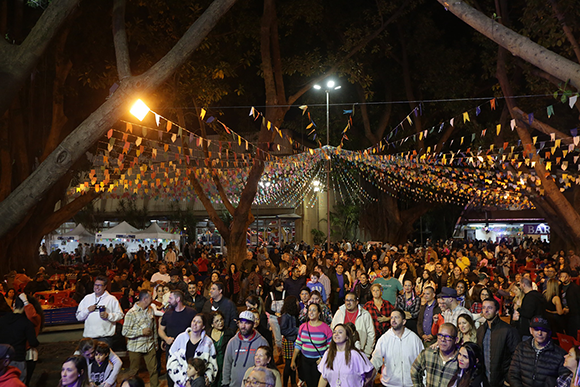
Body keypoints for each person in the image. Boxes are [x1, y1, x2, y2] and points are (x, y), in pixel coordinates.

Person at [509, 315, 568, 387]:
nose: (539, 333)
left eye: (543, 330)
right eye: (536, 329)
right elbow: (513, 374)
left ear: (549, 333)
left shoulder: (560, 354)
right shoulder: (521, 348)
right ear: (531, 331)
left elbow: (564, 381)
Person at [371, 309, 424, 387]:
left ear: (404, 321)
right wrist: (368, 378)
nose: (393, 320)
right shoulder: (384, 339)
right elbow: (375, 361)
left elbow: (423, 362)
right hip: (390, 384)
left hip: (410, 384)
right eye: (392, 317)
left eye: (396, 317)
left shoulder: (414, 338)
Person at [168, 313, 218, 387]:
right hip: (181, 383)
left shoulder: (208, 342)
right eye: (193, 321)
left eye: (198, 322)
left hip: (199, 383)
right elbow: (172, 361)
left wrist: (207, 378)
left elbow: (212, 364)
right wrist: (183, 380)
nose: (195, 324)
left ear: (203, 326)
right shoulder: (181, 338)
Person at [159, 289, 196, 387]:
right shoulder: (167, 313)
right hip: (171, 350)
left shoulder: (191, 313)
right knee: (171, 375)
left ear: (178, 299)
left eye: (170, 298)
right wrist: (166, 338)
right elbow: (160, 329)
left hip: (187, 349)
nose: (168, 301)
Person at [122, 290, 158, 387]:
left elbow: (154, 328)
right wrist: (140, 332)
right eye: (151, 297)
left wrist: (155, 343)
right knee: (134, 371)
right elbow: (124, 332)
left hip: (149, 345)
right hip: (135, 347)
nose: (152, 299)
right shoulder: (131, 313)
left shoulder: (151, 309)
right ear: (145, 299)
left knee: (153, 370)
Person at [222, 311, 269, 387]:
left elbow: (267, 367)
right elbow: (227, 363)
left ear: (253, 324)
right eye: (241, 322)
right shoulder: (232, 342)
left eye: (247, 323)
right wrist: (225, 382)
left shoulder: (261, 342)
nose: (243, 326)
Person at [291, 303, 332, 387]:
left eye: (314, 310)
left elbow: (331, 347)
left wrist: (324, 359)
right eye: (309, 310)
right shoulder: (303, 327)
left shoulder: (325, 328)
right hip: (305, 360)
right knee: (309, 383)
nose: (311, 312)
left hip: (318, 361)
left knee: (318, 383)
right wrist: (293, 360)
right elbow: (298, 344)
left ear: (319, 313)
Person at [0, 295, 39, 383]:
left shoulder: (2, 320)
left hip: (2, 358)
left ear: (14, 305)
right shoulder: (26, 323)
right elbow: (33, 342)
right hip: (18, 358)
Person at [75, 276, 124, 346]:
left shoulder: (111, 299)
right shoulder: (87, 298)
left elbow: (120, 315)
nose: (97, 287)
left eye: (100, 285)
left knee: (103, 356)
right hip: (89, 337)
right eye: (95, 284)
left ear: (105, 287)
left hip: (105, 338)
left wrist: (108, 316)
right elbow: (78, 317)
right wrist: (87, 310)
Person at [411, 323, 460, 387]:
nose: (442, 339)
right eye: (440, 335)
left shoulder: (461, 360)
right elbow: (414, 370)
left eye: (447, 336)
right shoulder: (428, 353)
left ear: (456, 340)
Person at [331, 292, 375, 356]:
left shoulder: (365, 314)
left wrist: (367, 353)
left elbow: (371, 335)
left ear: (357, 302)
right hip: (340, 352)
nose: (348, 302)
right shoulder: (339, 312)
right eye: (346, 300)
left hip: (358, 353)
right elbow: (332, 330)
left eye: (351, 300)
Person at [208, 311, 235, 387]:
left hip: (224, 366)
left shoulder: (229, 333)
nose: (220, 322)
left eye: (221, 319)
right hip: (212, 366)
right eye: (217, 321)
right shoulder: (207, 335)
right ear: (212, 324)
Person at [279, 296, 299, 387]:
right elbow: (283, 330)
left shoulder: (292, 314)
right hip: (288, 341)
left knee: (293, 362)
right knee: (288, 364)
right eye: (296, 301)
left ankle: (293, 382)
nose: (298, 303)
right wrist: (296, 330)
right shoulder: (285, 315)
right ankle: (285, 383)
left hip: (293, 341)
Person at [559, 269, 580, 337]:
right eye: (562, 276)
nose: (564, 278)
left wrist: (570, 309)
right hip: (564, 313)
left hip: (574, 314)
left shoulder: (575, 287)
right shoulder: (560, 287)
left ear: (569, 277)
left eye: (565, 276)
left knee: (574, 332)